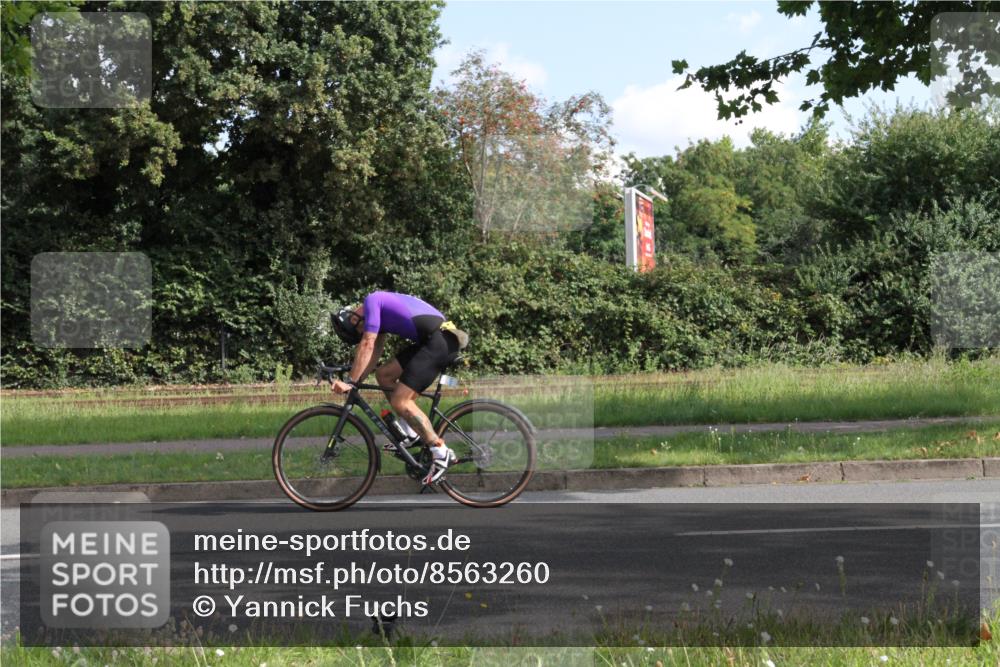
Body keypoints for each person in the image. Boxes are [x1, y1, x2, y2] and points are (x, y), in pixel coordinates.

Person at [329, 291, 468, 484]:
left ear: (354, 318)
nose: (363, 332)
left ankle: (440, 450)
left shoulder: (372, 301)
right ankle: (410, 433)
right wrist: (357, 380)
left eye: (360, 330)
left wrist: (350, 382)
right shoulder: (380, 312)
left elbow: (367, 344)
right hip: (434, 340)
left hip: (438, 342)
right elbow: (375, 352)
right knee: (384, 375)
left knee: (401, 401)